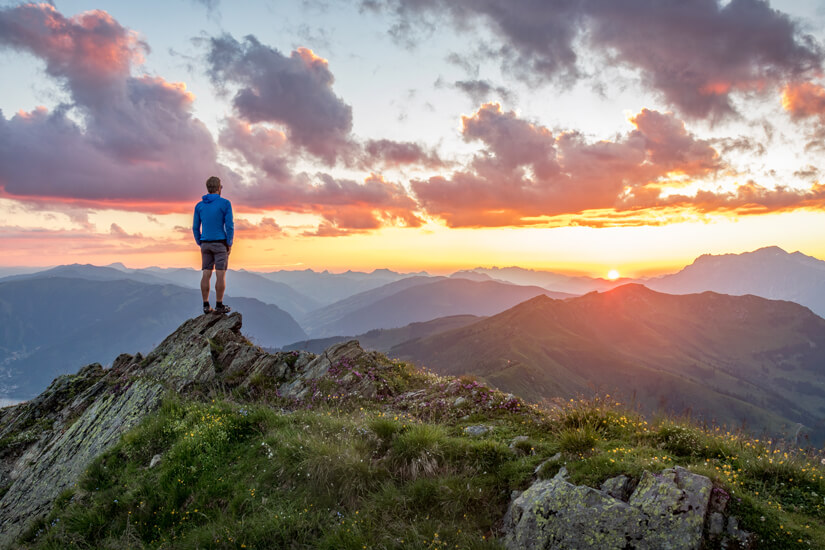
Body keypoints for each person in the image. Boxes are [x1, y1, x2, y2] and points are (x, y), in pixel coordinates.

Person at [193, 176, 234, 314]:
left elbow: (195, 227)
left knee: (206, 273)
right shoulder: (225, 204)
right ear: (218, 188)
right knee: (220, 275)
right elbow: (229, 226)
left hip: (205, 243)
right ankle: (219, 305)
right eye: (221, 187)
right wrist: (229, 243)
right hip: (220, 243)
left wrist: (200, 241)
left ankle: (205, 305)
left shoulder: (199, 206)